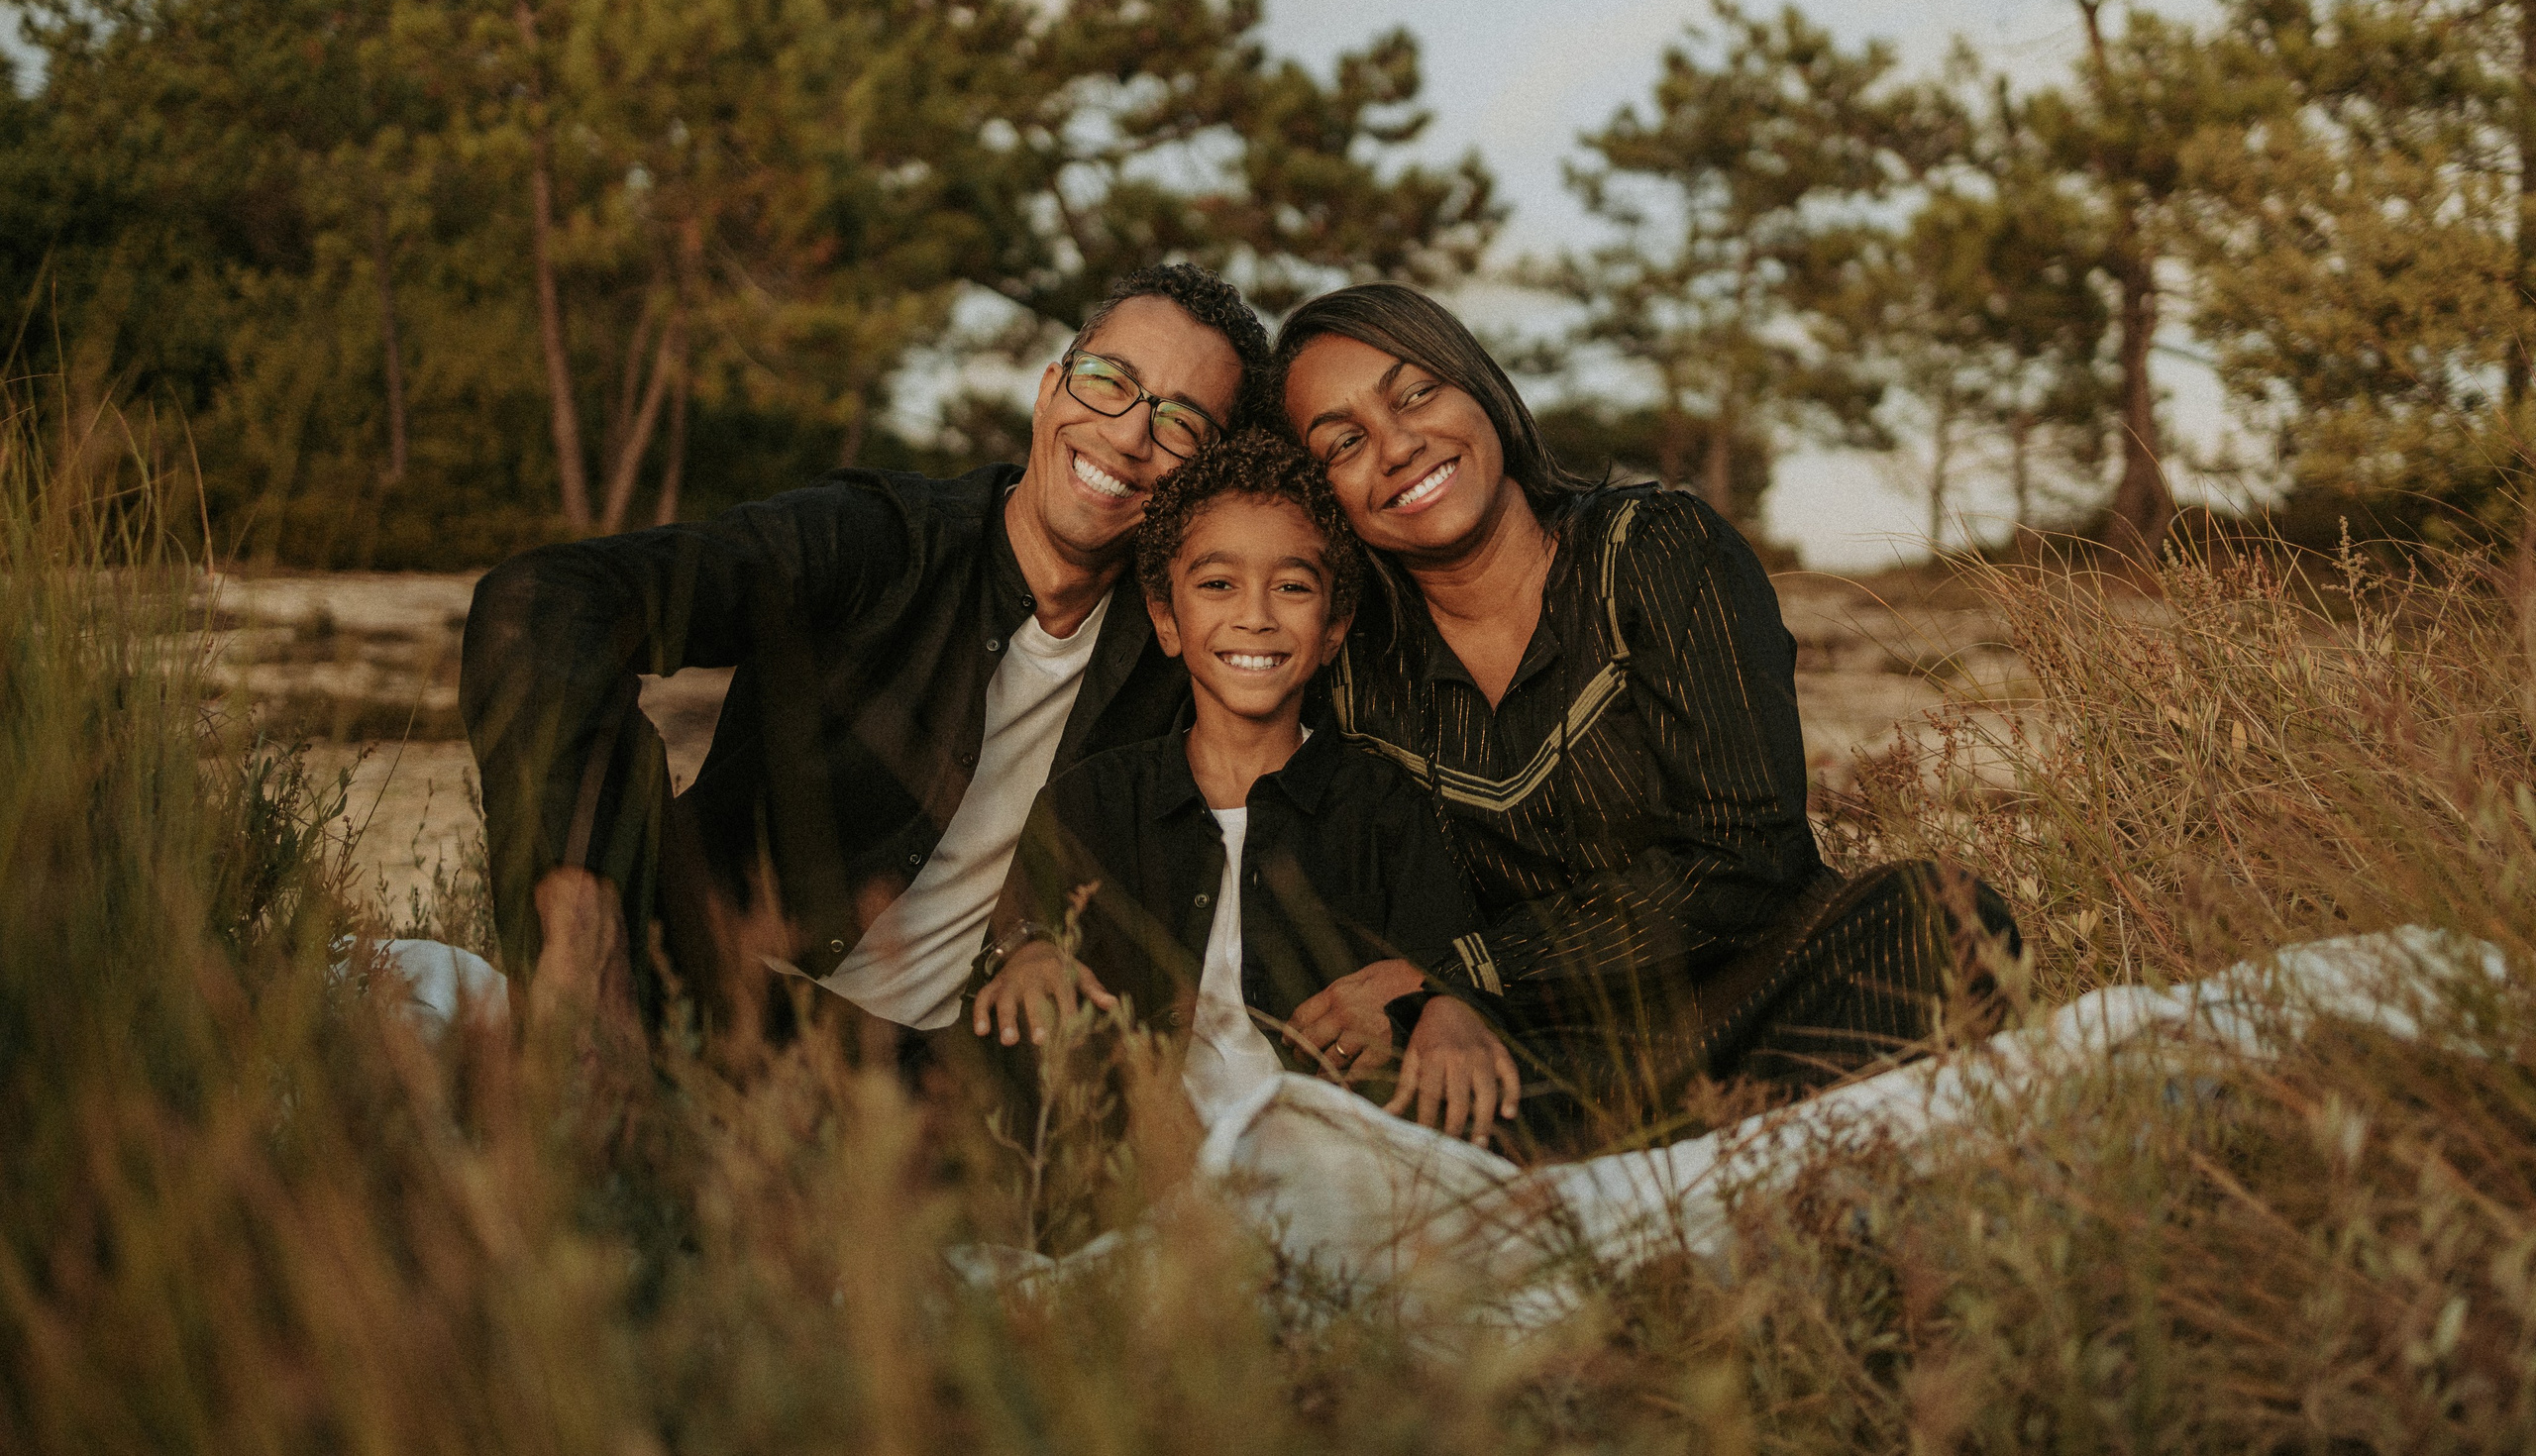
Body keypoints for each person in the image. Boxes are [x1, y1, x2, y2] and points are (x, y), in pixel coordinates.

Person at [1275, 281, 2018, 1149]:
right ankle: (1735, 1157)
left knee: (1944, 920)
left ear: (1480, 387)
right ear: (1322, 494)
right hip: (1549, 1053)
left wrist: (1463, 972)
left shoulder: (1658, 548)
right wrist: (1438, 1007)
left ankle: (1705, 1162)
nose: (1397, 446)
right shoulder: (1354, 673)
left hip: (1771, 993)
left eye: (1417, 393)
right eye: (1345, 442)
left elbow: (1750, 855)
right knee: (1360, 1093)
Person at [459, 263, 1264, 1064]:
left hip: (938, 1079)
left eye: (1182, 424)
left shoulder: (1191, 654)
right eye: (1106, 380)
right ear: (1049, 387)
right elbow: (541, 603)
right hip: (697, 985)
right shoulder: (880, 540)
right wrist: (580, 931)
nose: (1128, 434)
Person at [969, 430, 1522, 1142]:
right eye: (1217, 584)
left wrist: (1449, 1006)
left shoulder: (1382, 806)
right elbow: (1024, 925)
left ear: (1333, 628)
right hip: (1128, 1168)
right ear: (1167, 619)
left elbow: (1448, 969)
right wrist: (1031, 954)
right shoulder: (1095, 798)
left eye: (1292, 586)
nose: (1256, 614)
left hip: (1328, 1165)